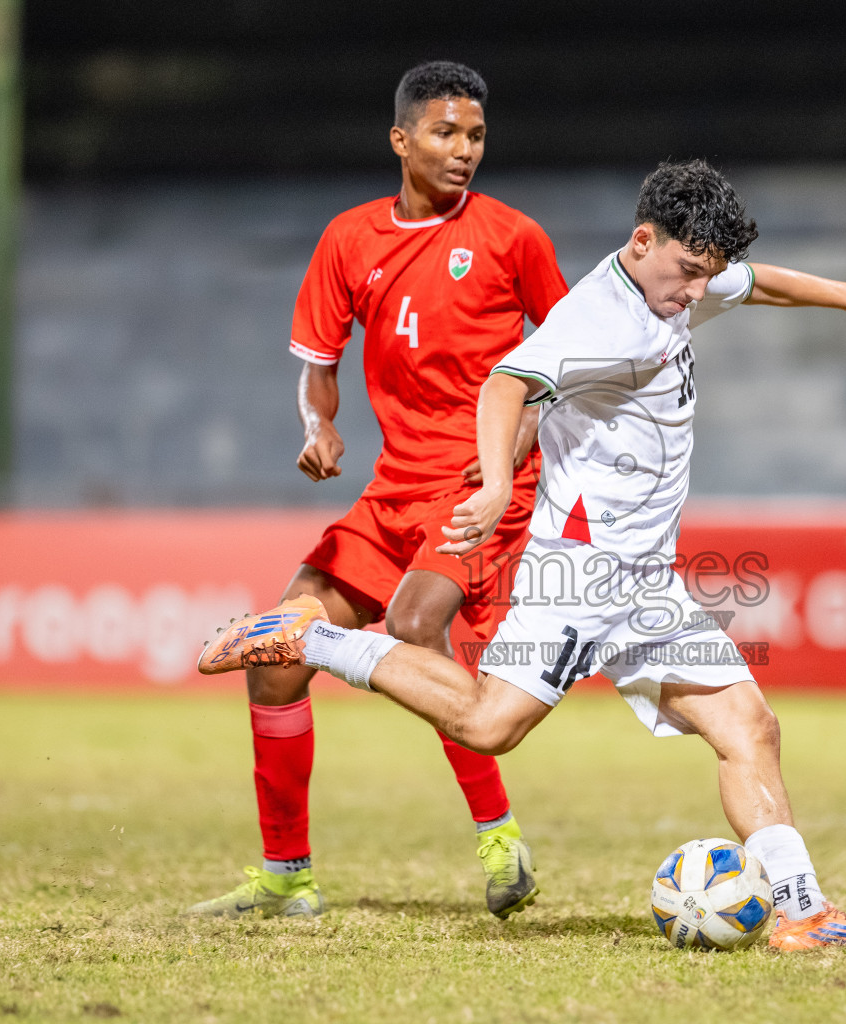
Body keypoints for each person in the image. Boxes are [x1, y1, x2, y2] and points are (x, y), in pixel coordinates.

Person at [200, 159, 846, 949]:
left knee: (749, 727)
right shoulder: (600, 318)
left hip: (645, 580)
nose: (695, 292)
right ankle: (309, 636)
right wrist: (490, 487)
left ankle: (803, 914)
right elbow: (506, 382)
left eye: (704, 276)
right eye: (687, 273)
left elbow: (757, 283)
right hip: (581, 574)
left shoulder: (675, 280)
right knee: (488, 724)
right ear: (641, 239)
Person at [186, 61, 568, 920]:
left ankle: (499, 835)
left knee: (413, 623)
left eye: (475, 135)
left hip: (479, 490)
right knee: (278, 654)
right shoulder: (349, 240)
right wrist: (318, 430)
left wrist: (525, 439)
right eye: (445, 133)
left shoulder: (515, 238)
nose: (464, 150)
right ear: (401, 140)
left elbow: (572, 357)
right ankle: (286, 875)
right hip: (393, 490)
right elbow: (317, 369)